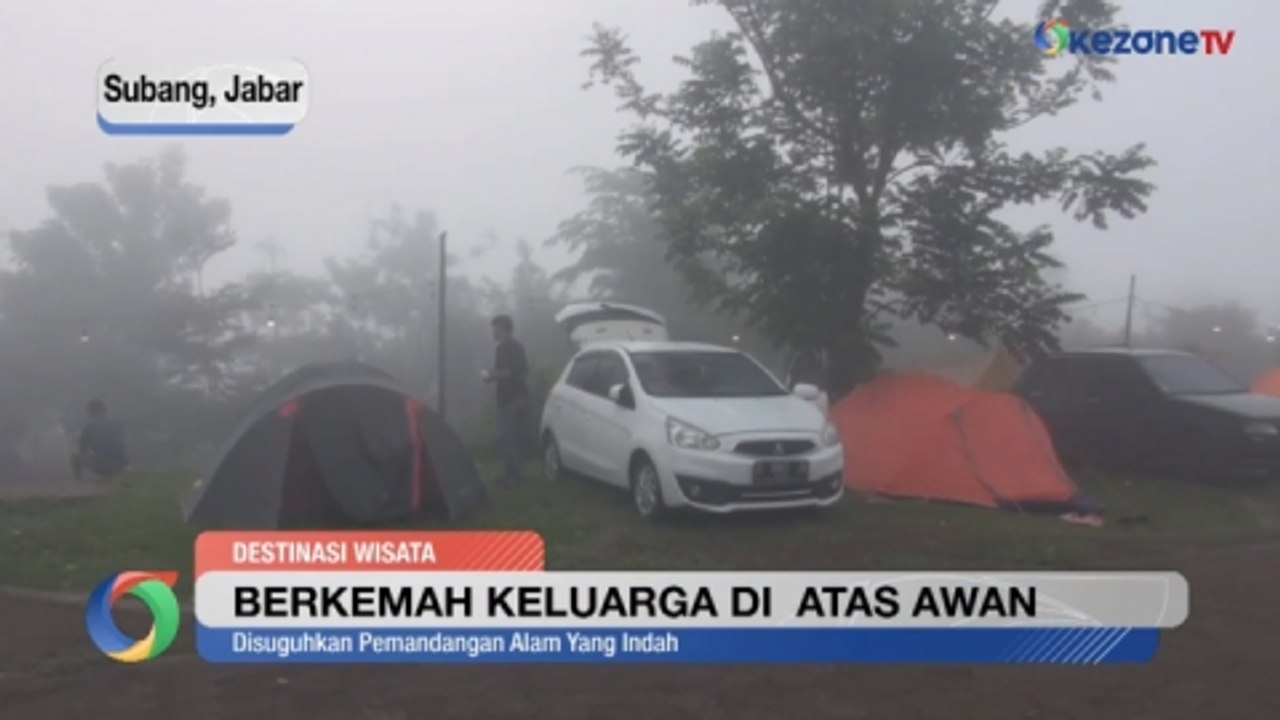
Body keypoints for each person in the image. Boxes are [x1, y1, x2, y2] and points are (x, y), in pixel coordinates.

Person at [483, 315, 532, 484]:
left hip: (512, 398)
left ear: (503, 328)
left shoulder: (510, 347)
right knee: (508, 438)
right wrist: (492, 378)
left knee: (508, 438)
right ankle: (510, 473)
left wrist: (493, 374)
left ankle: (516, 475)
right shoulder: (508, 347)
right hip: (511, 397)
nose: (493, 332)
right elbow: (511, 371)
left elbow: (513, 370)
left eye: (494, 328)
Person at [71, 399, 128, 482]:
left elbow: (83, 449)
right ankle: (117, 474)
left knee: (75, 457)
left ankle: (78, 482)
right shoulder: (117, 423)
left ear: (90, 412)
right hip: (120, 464)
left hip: (102, 466)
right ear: (105, 410)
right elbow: (122, 442)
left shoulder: (88, 427)